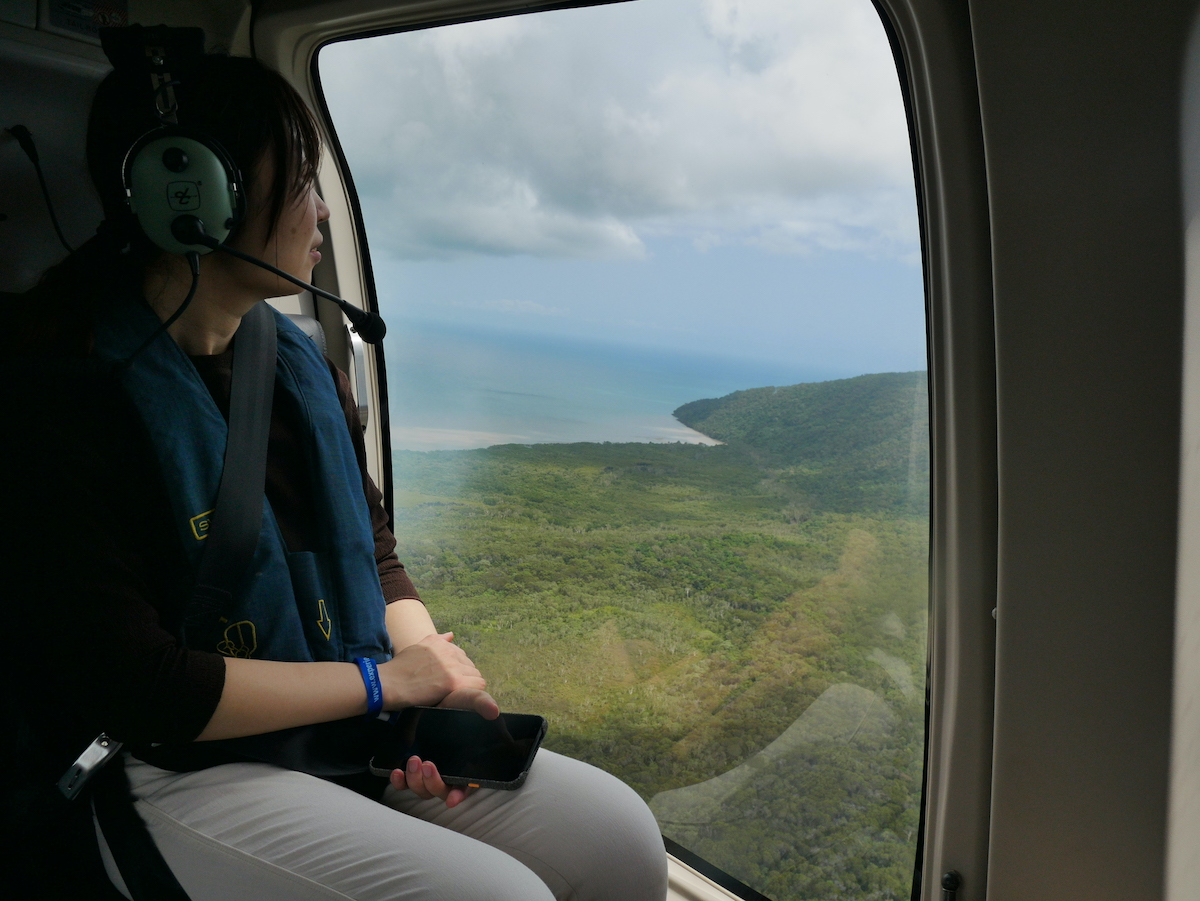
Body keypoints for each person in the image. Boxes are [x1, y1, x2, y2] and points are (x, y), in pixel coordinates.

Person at [3, 29, 668, 901]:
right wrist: (382, 683)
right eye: (301, 184)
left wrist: (431, 680)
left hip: (341, 719)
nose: (320, 211)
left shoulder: (299, 363)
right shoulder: (67, 393)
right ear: (194, 197)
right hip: (174, 762)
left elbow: (374, 549)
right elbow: (143, 687)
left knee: (621, 839)